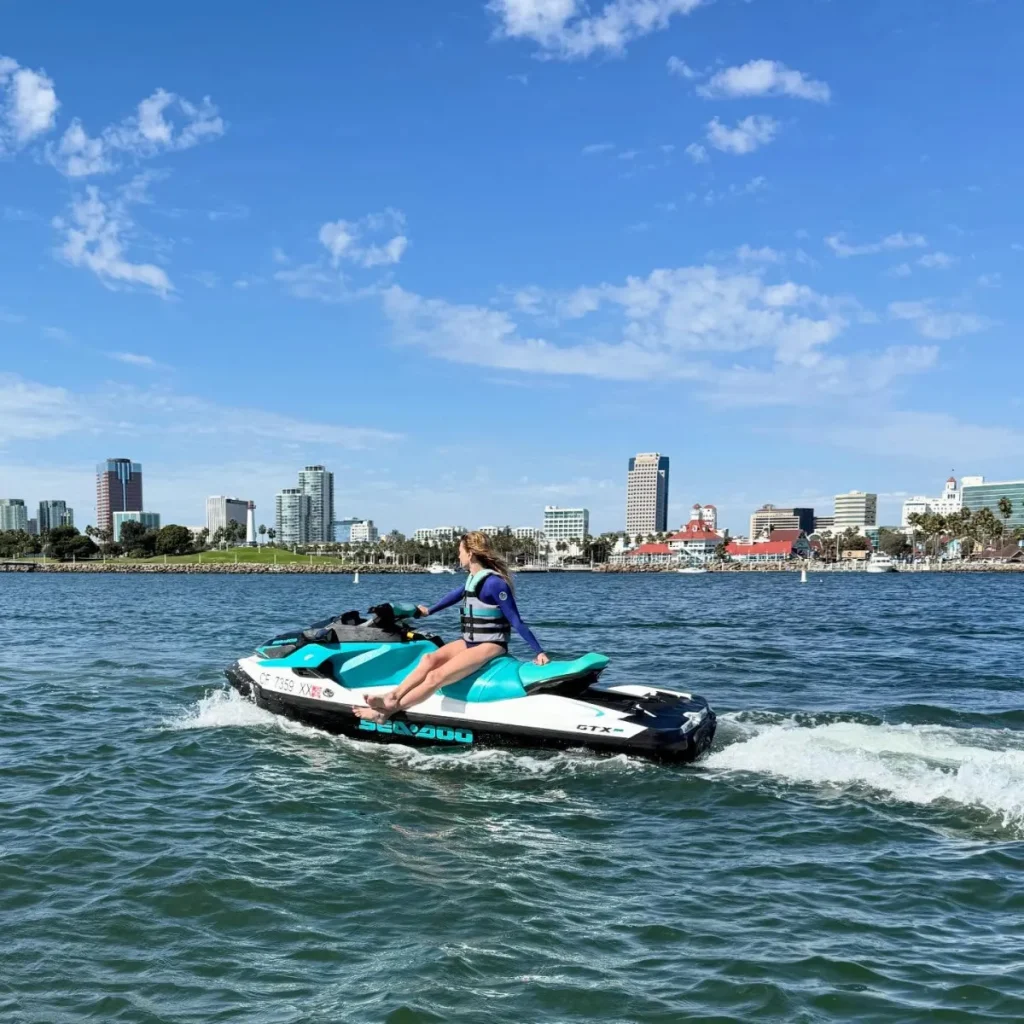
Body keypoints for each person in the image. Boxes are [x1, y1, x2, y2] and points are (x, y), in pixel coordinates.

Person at [355, 531, 549, 722]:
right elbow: (453, 597)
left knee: (436, 676)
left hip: (491, 644)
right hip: (470, 641)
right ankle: (392, 696)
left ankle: (387, 712)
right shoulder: (473, 579)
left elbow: (516, 620)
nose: (458, 556)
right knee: (429, 659)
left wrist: (538, 651)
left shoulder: (495, 584)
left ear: (470, 554)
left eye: (460, 552)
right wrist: (429, 611)